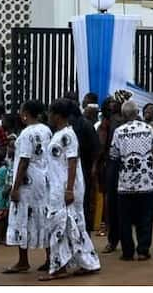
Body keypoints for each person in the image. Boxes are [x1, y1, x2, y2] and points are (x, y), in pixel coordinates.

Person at [40, 98, 101, 281]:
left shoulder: (67, 135)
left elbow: (72, 161)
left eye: (50, 113)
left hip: (65, 187)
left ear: (57, 115)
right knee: (71, 224)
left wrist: (68, 190)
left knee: (60, 223)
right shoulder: (59, 134)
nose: (49, 117)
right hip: (59, 186)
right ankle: (88, 262)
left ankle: (59, 267)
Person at [109, 99, 153, 261]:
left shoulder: (119, 131)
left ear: (124, 115)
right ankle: (143, 250)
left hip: (125, 183)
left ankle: (127, 252)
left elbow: (114, 156)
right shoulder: (147, 129)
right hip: (146, 181)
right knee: (145, 217)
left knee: (125, 219)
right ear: (137, 113)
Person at [4, 100, 52, 273]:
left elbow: (23, 161)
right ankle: (50, 258)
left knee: (22, 216)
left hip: (28, 182)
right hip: (43, 180)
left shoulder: (26, 134)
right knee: (44, 216)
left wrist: (15, 188)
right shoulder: (46, 130)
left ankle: (23, 261)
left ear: (26, 113)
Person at [64, 90, 100, 233]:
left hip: (83, 167)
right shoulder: (64, 125)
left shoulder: (84, 124)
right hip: (65, 169)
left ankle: (83, 232)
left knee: (82, 201)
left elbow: (96, 148)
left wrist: (93, 167)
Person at [95, 96, 127, 253]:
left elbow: (101, 147)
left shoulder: (108, 123)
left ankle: (113, 239)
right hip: (118, 165)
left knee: (112, 203)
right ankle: (116, 239)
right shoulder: (113, 122)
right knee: (116, 203)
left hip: (112, 165)